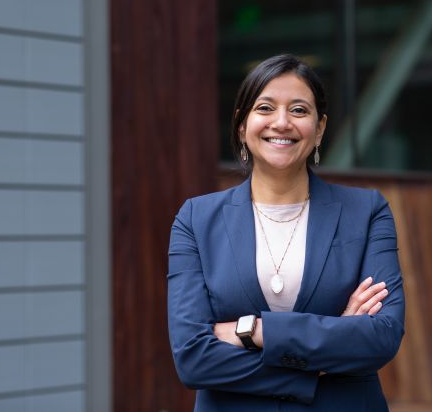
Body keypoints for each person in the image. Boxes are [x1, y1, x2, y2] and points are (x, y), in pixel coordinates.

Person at [167, 54, 405, 411]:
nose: (281, 123)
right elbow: (192, 358)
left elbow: (381, 336)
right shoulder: (196, 219)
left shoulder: (367, 212)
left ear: (320, 128)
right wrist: (327, 347)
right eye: (265, 108)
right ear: (241, 125)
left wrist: (252, 330)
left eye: (298, 110)